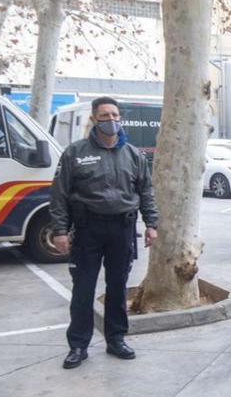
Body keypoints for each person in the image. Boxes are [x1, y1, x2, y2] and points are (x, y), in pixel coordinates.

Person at [49, 96, 159, 370]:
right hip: (87, 230)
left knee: (118, 287)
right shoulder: (75, 153)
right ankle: (78, 345)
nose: (111, 120)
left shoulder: (133, 155)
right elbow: (59, 195)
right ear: (93, 120)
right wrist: (60, 231)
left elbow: (146, 191)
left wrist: (151, 224)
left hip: (122, 229)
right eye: (104, 116)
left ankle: (116, 339)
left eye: (114, 115)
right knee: (83, 289)